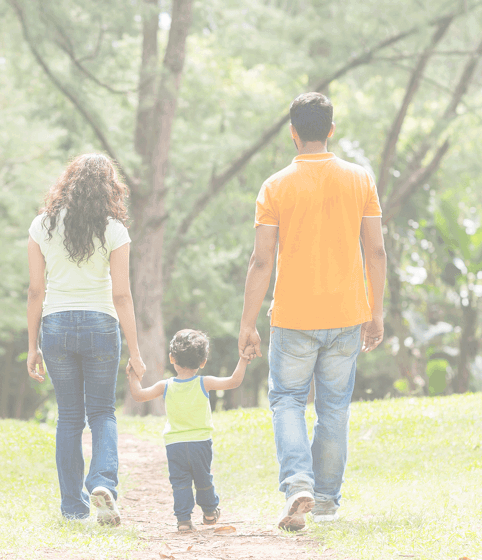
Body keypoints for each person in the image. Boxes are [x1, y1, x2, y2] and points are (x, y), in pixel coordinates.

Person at [237, 92, 387, 531]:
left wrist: (248, 322)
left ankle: (298, 482)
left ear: (293, 133)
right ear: (331, 130)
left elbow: (261, 260)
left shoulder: (276, 186)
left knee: (286, 400)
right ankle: (324, 503)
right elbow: (375, 250)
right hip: (346, 314)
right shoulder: (360, 180)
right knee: (334, 408)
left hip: (294, 316)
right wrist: (375, 311)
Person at [26, 153, 147, 526]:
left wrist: (33, 346)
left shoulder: (41, 226)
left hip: (56, 326)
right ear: (110, 188)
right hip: (100, 326)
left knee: (69, 418)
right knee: (102, 412)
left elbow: (35, 291)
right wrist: (136, 352)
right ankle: (102, 483)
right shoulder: (114, 230)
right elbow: (122, 295)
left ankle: (73, 508)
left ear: (69, 183)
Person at [126, 329, 248, 532]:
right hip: (200, 443)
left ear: (171, 358)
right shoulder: (204, 382)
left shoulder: (165, 385)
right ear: (203, 362)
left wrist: (132, 374)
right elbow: (234, 380)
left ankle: (183, 520)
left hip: (175, 445)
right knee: (203, 478)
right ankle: (209, 513)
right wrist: (243, 359)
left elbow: (138, 395)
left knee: (180, 482)